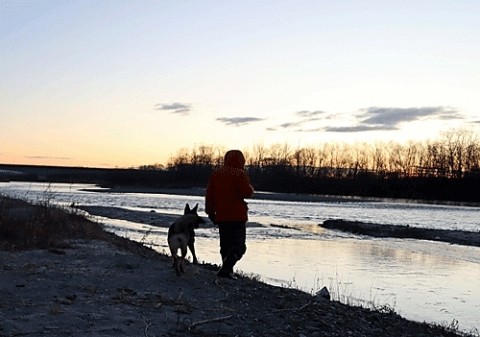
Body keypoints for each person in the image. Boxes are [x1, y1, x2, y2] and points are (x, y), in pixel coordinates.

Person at [205, 150, 254, 279]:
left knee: (225, 245)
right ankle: (226, 269)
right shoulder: (240, 174)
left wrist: (210, 211)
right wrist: (250, 188)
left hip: (221, 215)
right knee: (239, 247)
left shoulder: (216, 174)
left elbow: (209, 195)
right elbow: (247, 193)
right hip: (237, 216)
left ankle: (227, 270)